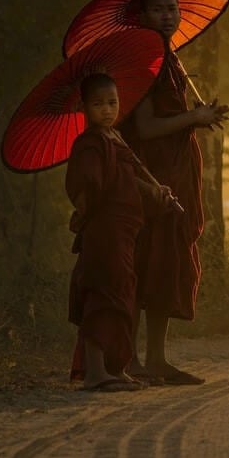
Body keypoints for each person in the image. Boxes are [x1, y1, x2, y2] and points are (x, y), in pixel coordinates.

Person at [120, 0, 229, 385]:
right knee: (146, 261)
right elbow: (146, 128)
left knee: (168, 263)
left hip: (176, 172)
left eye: (172, 8)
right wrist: (192, 119)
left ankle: (157, 359)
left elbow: (177, 116)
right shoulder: (145, 60)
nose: (167, 15)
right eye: (157, 10)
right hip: (153, 176)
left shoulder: (171, 59)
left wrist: (203, 114)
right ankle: (130, 359)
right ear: (143, 16)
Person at [65, 72, 174, 391]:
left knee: (125, 293)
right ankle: (96, 372)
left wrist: (157, 191)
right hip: (104, 228)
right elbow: (92, 184)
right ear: (83, 107)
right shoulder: (88, 143)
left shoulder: (115, 137)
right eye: (98, 104)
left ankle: (117, 366)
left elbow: (129, 176)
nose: (107, 110)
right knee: (103, 292)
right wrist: (84, 210)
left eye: (112, 103)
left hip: (126, 228)